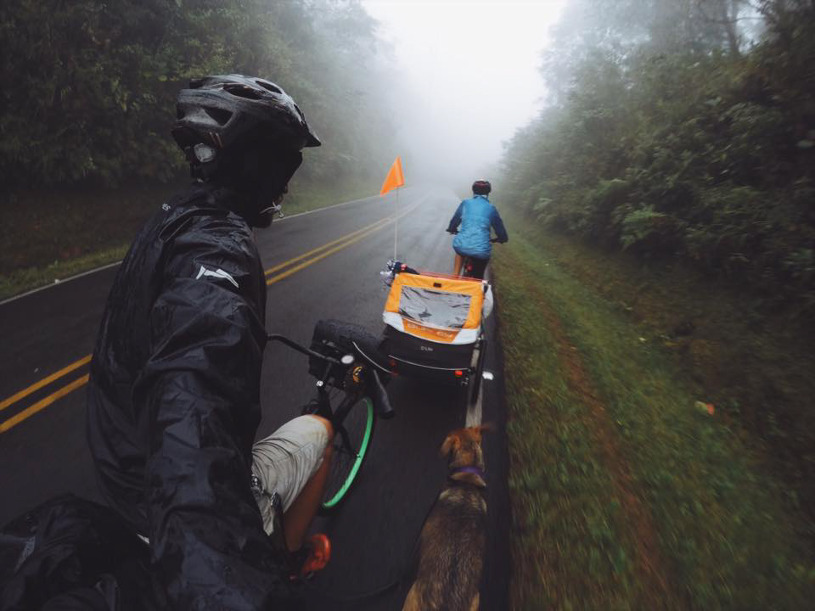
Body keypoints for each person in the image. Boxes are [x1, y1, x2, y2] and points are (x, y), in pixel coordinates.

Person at [85, 75, 330, 609]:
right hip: (167, 509)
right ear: (256, 165)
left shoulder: (172, 219)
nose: (285, 186)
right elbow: (193, 399)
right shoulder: (219, 245)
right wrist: (223, 576)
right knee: (322, 432)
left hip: (120, 467)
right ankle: (282, 561)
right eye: (282, 168)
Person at [446, 179, 508, 279]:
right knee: (477, 279)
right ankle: (475, 283)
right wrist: (502, 238)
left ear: (473, 191)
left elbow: (455, 219)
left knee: (460, 249)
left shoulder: (466, 203)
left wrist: (451, 228)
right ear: (488, 193)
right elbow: (499, 228)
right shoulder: (491, 208)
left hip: (461, 246)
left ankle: (455, 276)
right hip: (481, 251)